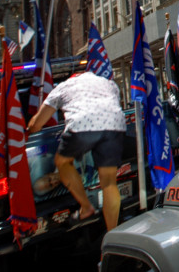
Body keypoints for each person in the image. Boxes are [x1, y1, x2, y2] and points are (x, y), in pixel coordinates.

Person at [28, 71, 126, 230]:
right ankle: (112, 234)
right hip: (115, 125)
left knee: (62, 162)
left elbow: (36, 124)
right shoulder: (108, 83)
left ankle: (86, 208)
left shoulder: (63, 87)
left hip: (82, 126)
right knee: (109, 183)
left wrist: (28, 130)